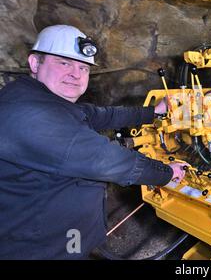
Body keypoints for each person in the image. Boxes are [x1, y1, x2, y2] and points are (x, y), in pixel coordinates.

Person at [0, 25, 186, 259]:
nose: (76, 74)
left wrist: (153, 112)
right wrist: (167, 172)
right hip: (39, 248)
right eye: (64, 63)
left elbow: (102, 114)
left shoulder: (35, 99)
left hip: (55, 236)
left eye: (83, 67)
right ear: (35, 63)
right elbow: (107, 161)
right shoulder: (32, 115)